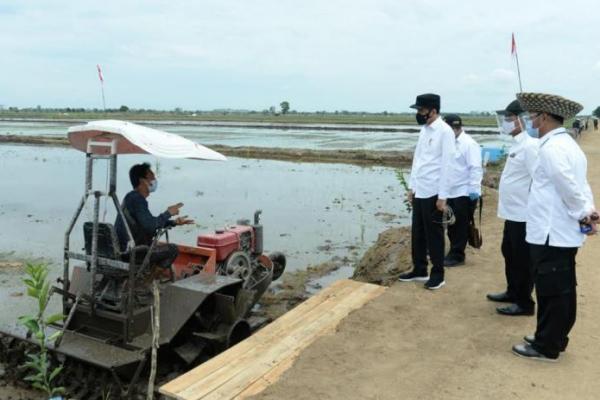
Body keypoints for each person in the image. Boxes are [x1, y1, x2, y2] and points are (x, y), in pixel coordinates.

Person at [512, 92, 595, 362]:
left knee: (552, 291)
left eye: (532, 116)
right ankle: (550, 336)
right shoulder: (566, 144)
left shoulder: (552, 148)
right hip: (558, 231)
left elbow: (568, 186)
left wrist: (584, 214)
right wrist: (588, 213)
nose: (530, 121)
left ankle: (547, 345)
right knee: (560, 287)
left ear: (544, 117)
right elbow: (580, 185)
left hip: (551, 232)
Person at [486, 100, 538, 316]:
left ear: (522, 119)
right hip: (512, 213)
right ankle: (512, 291)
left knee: (522, 260)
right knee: (509, 252)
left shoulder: (530, 146)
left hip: (524, 215)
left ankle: (524, 303)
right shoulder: (517, 144)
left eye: (509, 119)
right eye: (505, 119)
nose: (506, 123)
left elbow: (539, 181)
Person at [398, 93, 455, 290]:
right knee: (418, 232)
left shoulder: (445, 132)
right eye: (418, 110)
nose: (419, 114)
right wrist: (411, 188)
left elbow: (448, 166)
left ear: (433, 110)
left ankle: (438, 274)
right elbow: (418, 160)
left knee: (434, 234)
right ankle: (419, 269)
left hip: (433, 191)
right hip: (420, 189)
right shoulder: (424, 130)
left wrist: (442, 196)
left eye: (422, 110)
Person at [115, 162, 194, 270]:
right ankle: (147, 277)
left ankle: (147, 272)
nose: (154, 180)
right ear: (142, 181)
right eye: (152, 177)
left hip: (123, 248)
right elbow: (150, 226)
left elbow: (148, 222)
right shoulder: (138, 200)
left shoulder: (130, 197)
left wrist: (174, 222)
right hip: (133, 253)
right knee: (173, 249)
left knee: (155, 245)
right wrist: (168, 213)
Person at [441, 114, 483, 267]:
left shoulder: (468, 144)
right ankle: (453, 250)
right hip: (451, 191)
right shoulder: (449, 143)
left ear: (453, 128)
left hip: (464, 192)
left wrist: (474, 190)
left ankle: (458, 255)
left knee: (460, 225)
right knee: (451, 223)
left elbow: (475, 168)